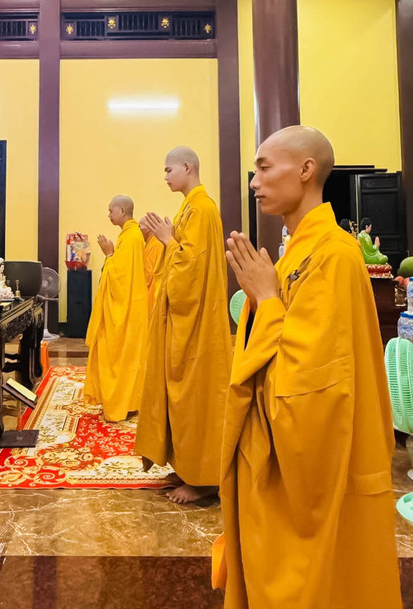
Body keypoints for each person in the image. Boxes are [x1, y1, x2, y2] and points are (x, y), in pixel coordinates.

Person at [221, 125, 401, 608]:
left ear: (305, 170)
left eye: (264, 168)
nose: (254, 182)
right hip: (282, 449)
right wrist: (265, 298)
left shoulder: (334, 256)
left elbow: (311, 391)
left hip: (318, 468)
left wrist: (266, 300)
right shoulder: (299, 251)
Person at [135, 146, 232, 503]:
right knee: (179, 395)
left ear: (187, 167)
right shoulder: (190, 207)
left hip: (197, 322)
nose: (165, 177)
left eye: (168, 170)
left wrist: (167, 239)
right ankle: (186, 465)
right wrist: (164, 238)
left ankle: (203, 480)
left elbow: (192, 270)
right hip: (183, 319)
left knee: (195, 396)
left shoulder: (202, 209)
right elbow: (181, 257)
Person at [84, 195, 149, 422]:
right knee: (126, 358)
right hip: (130, 305)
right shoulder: (129, 235)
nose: (109, 215)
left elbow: (119, 278)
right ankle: (127, 403)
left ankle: (121, 405)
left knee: (120, 357)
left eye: (111, 210)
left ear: (122, 210)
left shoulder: (131, 237)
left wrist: (109, 254)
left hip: (127, 309)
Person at [139, 215, 164, 318]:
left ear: (148, 228)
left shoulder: (156, 245)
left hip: (153, 296)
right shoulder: (150, 244)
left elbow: (148, 275)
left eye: (140, 226)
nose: (138, 230)